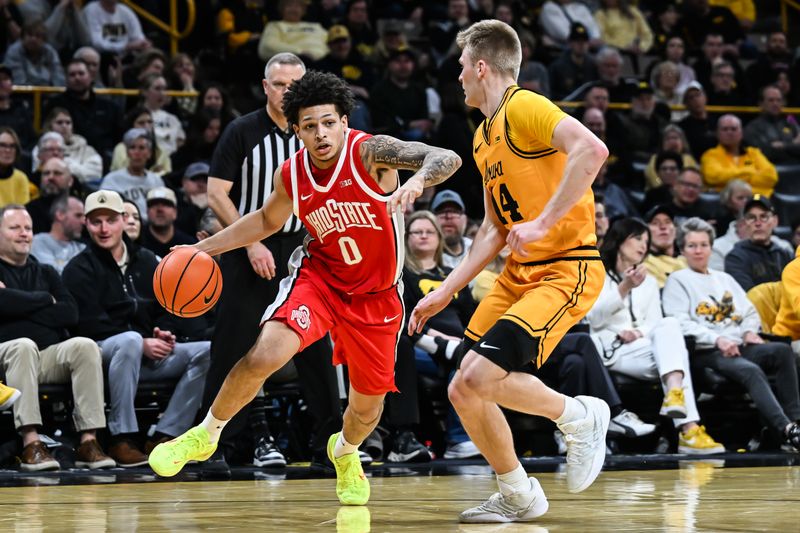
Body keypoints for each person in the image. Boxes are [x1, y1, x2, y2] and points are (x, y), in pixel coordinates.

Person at [147, 71, 461, 507]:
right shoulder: (291, 174)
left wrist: (416, 181)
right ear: (296, 129)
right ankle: (207, 434)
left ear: (344, 122)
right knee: (264, 353)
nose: (321, 133)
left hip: (377, 297)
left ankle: (346, 452)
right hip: (320, 280)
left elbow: (445, 156)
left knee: (367, 410)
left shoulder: (371, 152)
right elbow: (264, 222)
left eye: (328, 122)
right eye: (310, 125)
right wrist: (205, 248)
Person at [408, 20, 610, 523]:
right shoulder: (482, 136)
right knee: (463, 387)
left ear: (481, 67)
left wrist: (543, 222)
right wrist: (447, 291)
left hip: (566, 268)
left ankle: (580, 416)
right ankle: (518, 492)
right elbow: (494, 230)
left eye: (461, 68)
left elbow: (593, 149)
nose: (457, 79)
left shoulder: (524, 105)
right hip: (518, 274)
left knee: (482, 376)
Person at [196, 53, 340, 474]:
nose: (287, 91)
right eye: (279, 84)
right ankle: (213, 445)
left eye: (294, 83)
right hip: (250, 245)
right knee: (231, 347)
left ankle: (328, 443)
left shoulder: (314, 132)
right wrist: (251, 242)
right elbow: (216, 194)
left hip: (304, 247)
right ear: (265, 87)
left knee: (315, 346)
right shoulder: (242, 131)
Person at [62, 190, 211, 467]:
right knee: (129, 340)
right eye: (96, 222)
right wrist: (141, 341)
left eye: (110, 220)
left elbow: (167, 305)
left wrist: (161, 333)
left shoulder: (147, 260)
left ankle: (166, 435)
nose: (104, 228)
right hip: (102, 356)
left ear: (123, 220)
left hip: (143, 353)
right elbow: (85, 323)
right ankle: (122, 437)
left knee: (207, 351)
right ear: (86, 224)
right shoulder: (77, 268)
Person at [587, 217, 724, 454]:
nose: (643, 245)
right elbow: (594, 319)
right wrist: (625, 287)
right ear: (620, 240)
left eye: (646, 241)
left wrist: (638, 331)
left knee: (670, 325)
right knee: (677, 358)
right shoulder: (595, 273)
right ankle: (689, 431)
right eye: (638, 238)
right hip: (609, 349)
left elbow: (655, 323)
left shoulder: (648, 281)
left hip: (641, 346)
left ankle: (674, 394)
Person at [663, 217, 800, 452]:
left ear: (710, 247)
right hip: (706, 351)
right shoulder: (678, 280)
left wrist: (748, 331)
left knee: (782, 351)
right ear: (682, 250)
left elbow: (749, 311)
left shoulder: (724, 278)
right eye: (692, 246)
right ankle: (785, 430)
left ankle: (797, 421)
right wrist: (717, 339)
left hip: (739, 345)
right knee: (750, 370)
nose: (699, 251)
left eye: (704, 245)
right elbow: (679, 323)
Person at [0, 204, 113, 471]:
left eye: (28, 228)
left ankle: (88, 441)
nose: (24, 234)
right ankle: (31, 443)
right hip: (6, 356)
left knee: (84, 346)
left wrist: (15, 304)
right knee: (24, 345)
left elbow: (69, 313)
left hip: (44, 356)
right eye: (15, 228)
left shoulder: (46, 272)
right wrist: (43, 300)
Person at [724, 195, 793, 292]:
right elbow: (749, 296)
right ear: (744, 223)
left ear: (775, 221)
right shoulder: (735, 259)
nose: (758, 223)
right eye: (751, 217)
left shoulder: (785, 255)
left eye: (763, 217)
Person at [701, 114, 778, 197]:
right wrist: (750, 172)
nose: (729, 132)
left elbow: (771, 176)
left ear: (741, 133)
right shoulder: (710, 155)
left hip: (756, 199)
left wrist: (732, 180)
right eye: (725, 129)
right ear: (717, 133)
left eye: (734, 129)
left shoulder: (754, 153)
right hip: (724, 202)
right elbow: (713, 177)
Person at [101, 128, 165, 220]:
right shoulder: (112, 180)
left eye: (142, 148)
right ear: (127, 153)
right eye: (132, 148)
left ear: (149, 153)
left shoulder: (157, 181)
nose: (137, 152)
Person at [31, 195, 85, 273]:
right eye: (78, 215)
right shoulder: (38, 242)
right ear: (60, 215)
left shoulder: (81, 248)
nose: (83, 222)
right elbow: (52, 276)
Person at [140, 187, 196, 258]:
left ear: (175, 212)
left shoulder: (189, 245)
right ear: (147, 212)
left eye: (166, 204)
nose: (160, 209)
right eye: (154, 204)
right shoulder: (137, 243)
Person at [643, 205, 688, 288]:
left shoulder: (688, 260)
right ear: (645, 233)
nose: (663, 227)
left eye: (668, 222)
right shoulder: (644, 264)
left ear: (676, 230)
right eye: (655, 223)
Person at [431, 189, 472, 269]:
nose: (448, 216)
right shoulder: (425, 252)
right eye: (442, 211)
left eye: (455, 211)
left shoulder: (475, 248)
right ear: (431, 219)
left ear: (465, 219)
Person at [0, 126, 30, 207]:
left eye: (12, 146)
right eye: (2, 145)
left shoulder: (21, 178)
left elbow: (22, 212)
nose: (8, 150)